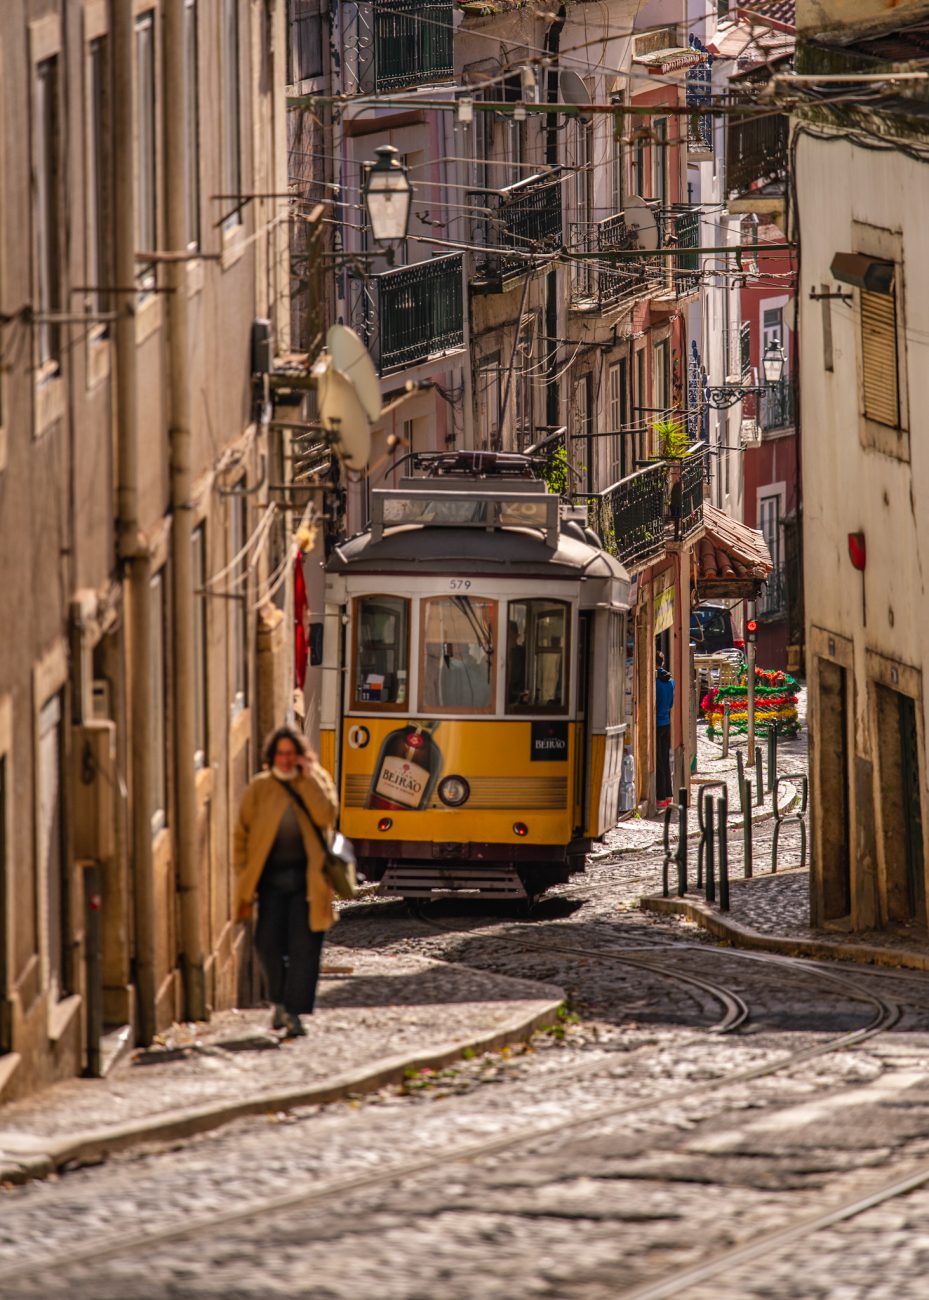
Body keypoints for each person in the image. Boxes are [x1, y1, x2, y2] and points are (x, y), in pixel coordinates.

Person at [233, 726, 339, 1038]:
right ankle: (279, 1000)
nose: (285, 759)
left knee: (304, 947)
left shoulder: (316, 779)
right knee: (266, 943)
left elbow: (327, 816)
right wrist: (244, 873)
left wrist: (307, 780)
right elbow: (241, 833)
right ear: (272, 756)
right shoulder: (260, 787)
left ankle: (293, 1012)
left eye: (291, 753)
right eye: (280, 753)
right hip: (270, 881)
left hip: (309, 881)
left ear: (300, 755)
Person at [655, 651, 675, 809]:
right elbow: (671, 703)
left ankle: (660, 798)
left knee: (658, 762)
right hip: (666, 722)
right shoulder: (670, 681)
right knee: (666, 760)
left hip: (656, 723)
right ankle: (669, 796)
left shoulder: (655, 682)